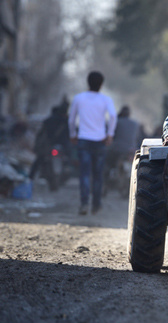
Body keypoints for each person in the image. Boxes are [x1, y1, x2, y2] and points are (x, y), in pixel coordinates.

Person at [68, 71, 117, 215]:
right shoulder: (105, 99)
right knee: (97, 175)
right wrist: (110, 134)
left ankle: (84, 204)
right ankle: (96, 204)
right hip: (100, 141)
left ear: (87, 82)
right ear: (101, 84)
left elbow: (71, 119)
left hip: (83, 140)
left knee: (84, 174)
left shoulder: (78, 98)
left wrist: (72, 134)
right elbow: (113, 116)